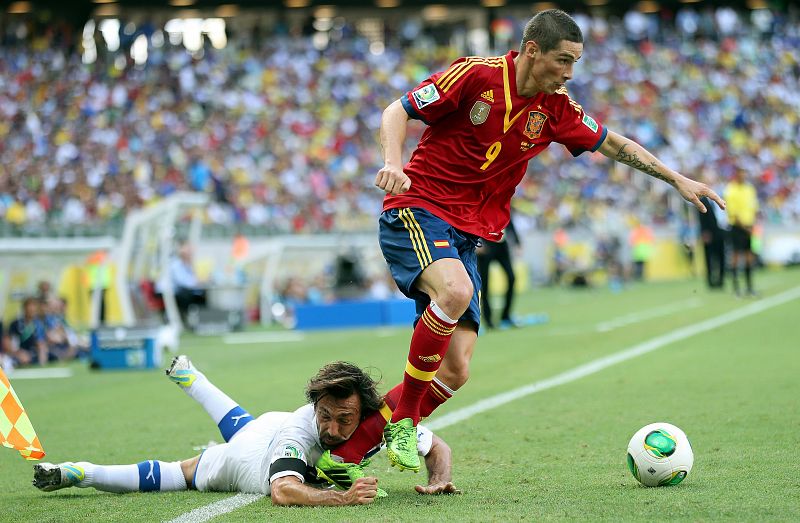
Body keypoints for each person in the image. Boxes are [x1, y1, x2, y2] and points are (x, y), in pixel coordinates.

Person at [322, 9, 726, 475]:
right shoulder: (476, 75)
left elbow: (614, 144)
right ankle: (405, 421)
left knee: (454, 371)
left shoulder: (556, 108)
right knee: (455, 291)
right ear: (532, 51)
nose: (569, 73)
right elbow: (398, 110)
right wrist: (393, 162)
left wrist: (676, 179)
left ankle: (344, 457)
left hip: (467, 234)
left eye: (575, 62)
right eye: (562, 60)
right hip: (417, 207)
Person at [33, 357, 458, 505]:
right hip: (248, 463)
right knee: (180, 473)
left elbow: (436, 446)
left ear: (362, 411)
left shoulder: (377, 421)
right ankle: (83, 471)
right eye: (324, 415)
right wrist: (340, 498)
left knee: (246, 425)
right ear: (314, 407)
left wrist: (439, 479)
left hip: (264, 425)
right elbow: (283, 492)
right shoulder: (302, 432)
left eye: (343, 419)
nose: (331, 428)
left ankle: (193, 380)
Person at [477, 217, 521, 329]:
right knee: (484, 283)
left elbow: (508, 220)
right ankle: (488, 319)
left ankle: (506, 315)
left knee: (511, 278)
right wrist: (477, 242)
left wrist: (517, 241)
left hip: (501, 244)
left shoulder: (501, 200)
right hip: (486, 243)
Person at [724, 169, 759, 296]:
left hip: (750, 227)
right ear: (736, 175)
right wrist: (746, 228)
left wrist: (753, 225)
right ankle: (736, 288)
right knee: (736, 256)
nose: (743, 176)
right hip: (737, 228)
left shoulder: (749, 189)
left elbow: (754, 207)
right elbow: (733, 212)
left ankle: (750, 287)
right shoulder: (731, 190)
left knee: (750, 256)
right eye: (741, 174)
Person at [5, 297, 49, 367]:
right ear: (24, 308)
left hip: (32, 354)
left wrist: (42, 360)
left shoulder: (38, 324)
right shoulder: (15, 324)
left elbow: (41, 343)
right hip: (17, 353)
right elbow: (7, 342)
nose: (32, 309)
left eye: (34, 307)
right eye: (29, 307)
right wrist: (18, 353)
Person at [697, 195, 727, 289]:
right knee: (709, 258)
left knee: (721, 257)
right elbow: (701, 216)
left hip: (721, 231)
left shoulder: (721, 195)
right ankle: (710, 281)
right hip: (709, 233)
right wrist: (704, 232)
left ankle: (721, 280)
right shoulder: (703, 200)